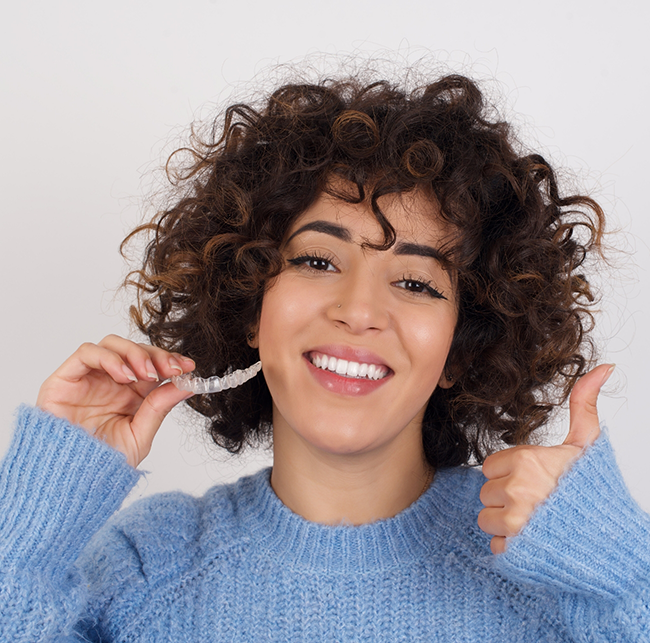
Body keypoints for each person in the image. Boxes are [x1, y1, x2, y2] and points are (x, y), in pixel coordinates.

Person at [1, 70, 648, 642]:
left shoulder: (565, 568)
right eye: (317, 260)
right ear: (252, 307)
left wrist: (619, 566)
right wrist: (37, 519)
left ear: (462, 344)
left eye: (417, 282)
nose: (359, 309)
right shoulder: (145, 566)